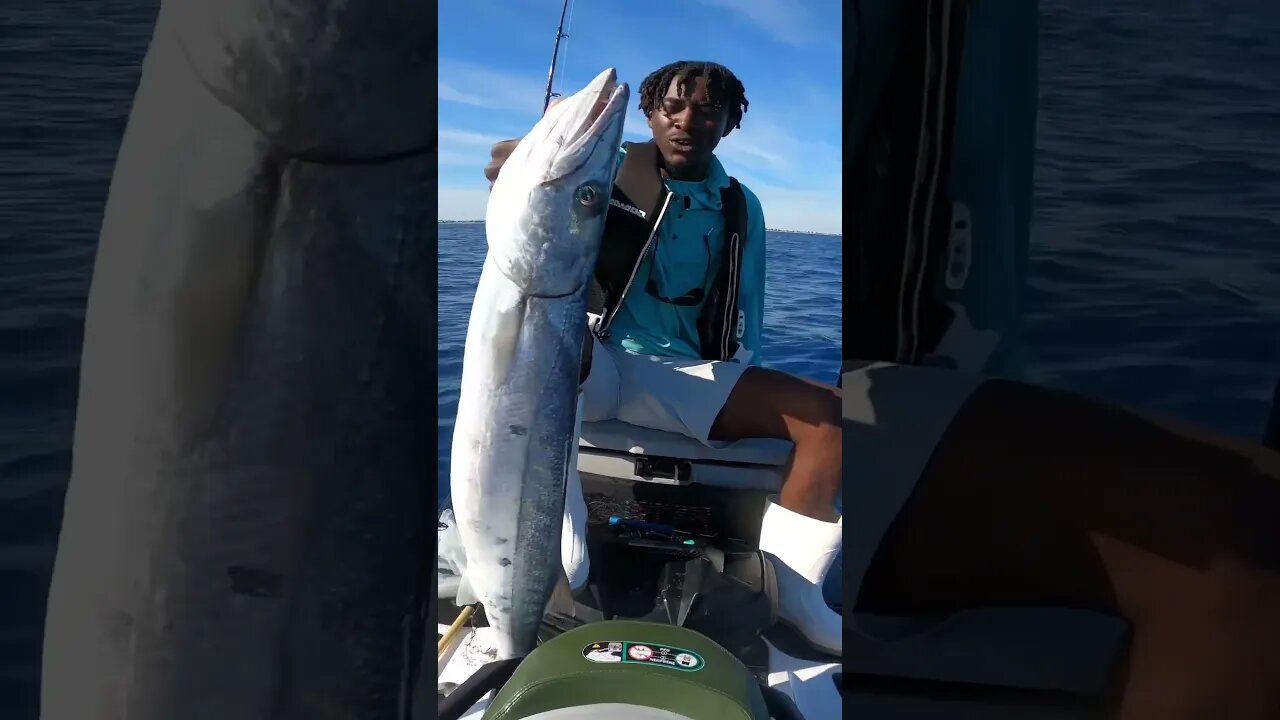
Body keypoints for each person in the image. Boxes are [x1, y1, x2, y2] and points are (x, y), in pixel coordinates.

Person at [485, 61, 844, 656]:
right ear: (650, 114)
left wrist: (739, 382)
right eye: (672, 107)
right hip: (594, 360)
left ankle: (795, 594)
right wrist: (529, 155)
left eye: (706, 109)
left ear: (728, 123)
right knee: (551, 338)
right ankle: (554, 543)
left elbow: (746, 303)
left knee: (829, 419)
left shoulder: (739, 205)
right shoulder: (605, 166)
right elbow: (505, 164)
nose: (687, 121)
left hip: (681, 373)